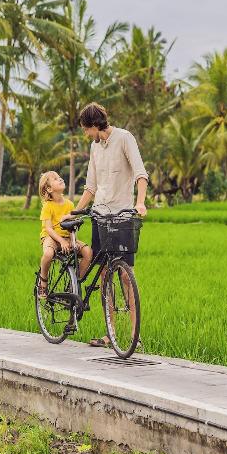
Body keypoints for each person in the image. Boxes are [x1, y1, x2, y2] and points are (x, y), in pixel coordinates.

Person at [74, 102, 148, 346]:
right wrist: (76, 211)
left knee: (127, 276)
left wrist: (140, 203)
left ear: (95, 125)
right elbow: (91, 187)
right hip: (100, 217)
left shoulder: (124, 138)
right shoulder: (95, 147)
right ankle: (110, 333)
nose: (86, 134)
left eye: (86, 129)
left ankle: (135, 336)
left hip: (123, 217)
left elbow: (140, 174)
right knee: (105, 273)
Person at [38, 171, 91, 299]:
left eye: (60, 177)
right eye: (55, 179)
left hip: (67, 237)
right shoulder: (48, 206)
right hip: (51, 237)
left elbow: (72, 226)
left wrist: (73, 240)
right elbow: (48, 229)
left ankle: (74, 284)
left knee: (88, 253)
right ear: (49, 189)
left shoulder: (69, 204)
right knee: (48, 254)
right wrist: (61, 241)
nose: (60, 179)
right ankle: (43, 281)